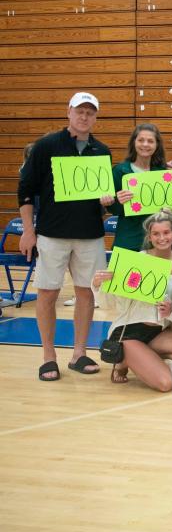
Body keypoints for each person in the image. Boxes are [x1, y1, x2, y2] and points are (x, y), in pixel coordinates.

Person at [18, 92, 112, 382]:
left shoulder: (101, 151)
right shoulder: (46, 146)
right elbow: (26, 189)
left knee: (86, 293)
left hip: (89, 236)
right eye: (80, 111)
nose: (85, 117)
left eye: (90, 112)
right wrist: (28, 231)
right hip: (52, 234)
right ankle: (48, 357)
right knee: (47, 293)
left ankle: (79, 353)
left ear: (95, 117)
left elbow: (102, 197)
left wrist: (107, 202)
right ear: (68, 112)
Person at [92, 209, 172, 391]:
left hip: (159, 332)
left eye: (166, 232)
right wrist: (98, 285)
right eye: (156, 234)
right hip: (128, 332)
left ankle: (142, 357)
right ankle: (123, 359)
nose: (162, 238)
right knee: (165, 384)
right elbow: (109, 304)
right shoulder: (136, 261)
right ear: (149, 237)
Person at [106, 124, 172, 252]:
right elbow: (113, 209)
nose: (145, 144)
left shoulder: (163, 173)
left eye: (150, 141)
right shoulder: (119, 171)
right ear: (134, 142)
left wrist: (170, 212)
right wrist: (117, 200)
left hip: (157, 243)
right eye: (141, 140)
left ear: (157, 145)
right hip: (128, 240)